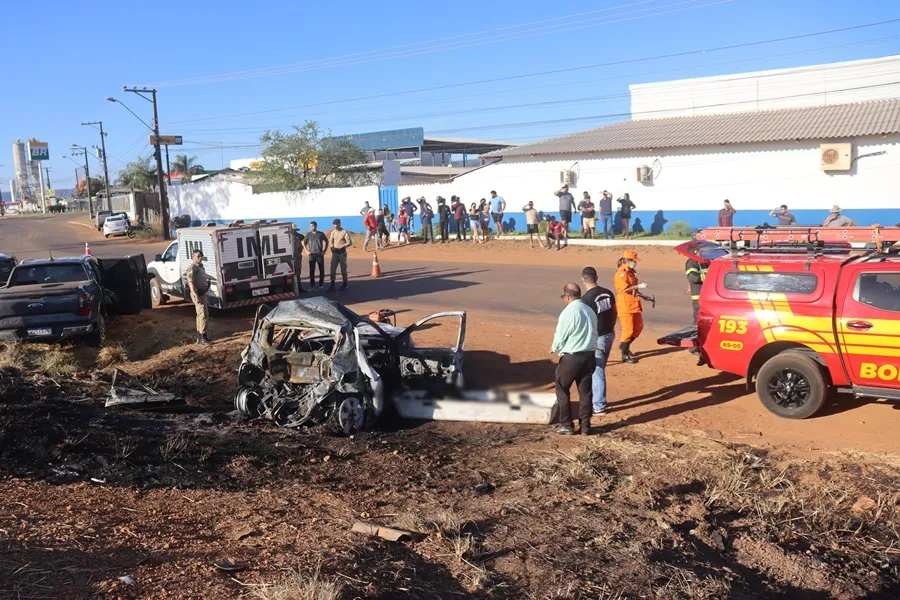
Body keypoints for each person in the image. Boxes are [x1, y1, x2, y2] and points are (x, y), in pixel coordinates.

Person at [550, 283, 597, 435]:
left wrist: (555, 347)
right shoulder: (589, 310)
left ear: (567, 296)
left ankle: (566, 424)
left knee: (562, 389)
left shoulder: (569, 312)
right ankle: (585, 426)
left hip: (572, 357)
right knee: (585, 392)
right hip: (589, 356)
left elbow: (561, 335)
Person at [580, 267, 616, 416]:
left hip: (598, 338)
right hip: (609, 334)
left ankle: (599, 405)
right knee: (599, 368)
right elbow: (614, 312)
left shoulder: (586, 299)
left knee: (597, 370)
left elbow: (585, 322)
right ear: (597, 277)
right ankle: (598, 402)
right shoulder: (608, 292)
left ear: (583, 280)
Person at [614, 250, 645, 364]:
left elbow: (633, 289)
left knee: (638, 328)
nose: (635, 263)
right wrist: (638, 286)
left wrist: (643, 295)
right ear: (627, 261)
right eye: (634, 261)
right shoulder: (621, 273)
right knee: (628, 330)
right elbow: (625, 288)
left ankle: (624, 346)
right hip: (625, 305)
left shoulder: (631, 272)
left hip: (634, 303)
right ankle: (625, 354)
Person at [185, 249, 212, 345]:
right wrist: (196, 296)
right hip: (197, 294)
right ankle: (202, 337)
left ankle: (200, 337)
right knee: (203, 315)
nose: (200, 258)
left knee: (202, 315)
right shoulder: (192, 267)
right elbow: (190, 282)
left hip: (202, 293)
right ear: (193, 257)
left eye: (201, 256)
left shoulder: (200, 267)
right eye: (198, 256)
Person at [328, 218, 353, 292]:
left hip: (342, 252)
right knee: (332, 268)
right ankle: (332, 285)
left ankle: (345, 284)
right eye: (334, 224)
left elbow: (349, 242)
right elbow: (330, 240)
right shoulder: (333, 232)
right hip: (335, 252)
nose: (335, 226)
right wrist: (331, 246)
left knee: (343, 269)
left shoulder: (344, 232)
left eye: (336, 224)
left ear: (339, 224)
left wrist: (343, 246)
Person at [303, 221, 328, 288]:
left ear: (316, 226)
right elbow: (303, 242)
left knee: (321, 270)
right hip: (312, 255)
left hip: (319, 254)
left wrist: (324, 250)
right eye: (310, 226)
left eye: (313, 226)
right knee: (312, 270)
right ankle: (312, 284)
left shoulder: (321, 234)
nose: (311, 227)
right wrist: (306, 251)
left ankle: (321, 283)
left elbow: (326, 241)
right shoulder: (308, 234)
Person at [291, 225, 306, 293]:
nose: (294, 231)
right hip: (291, 258)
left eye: (295, 230)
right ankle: (293, 288)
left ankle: (299, 288)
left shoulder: (299, 237)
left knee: (298, 273)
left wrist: (300, 251)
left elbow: (303, 244)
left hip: (297, 257)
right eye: (293, 230)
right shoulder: (287, 237)